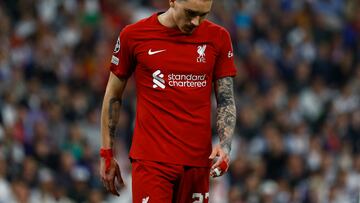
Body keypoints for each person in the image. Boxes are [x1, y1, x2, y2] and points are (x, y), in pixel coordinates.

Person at [99, 0, 237, 202]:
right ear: (172, 1)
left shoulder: (219, 37)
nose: (196, 21)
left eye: (203, 14)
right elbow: (113, 95)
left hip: (197, 163)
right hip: (152, 162)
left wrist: (225, 146)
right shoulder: (134, 35)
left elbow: (225, 99)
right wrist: (106, 153)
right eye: (190, 12)